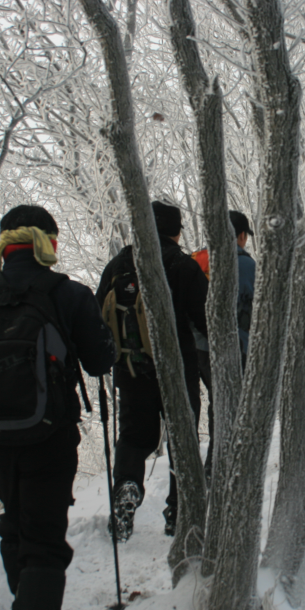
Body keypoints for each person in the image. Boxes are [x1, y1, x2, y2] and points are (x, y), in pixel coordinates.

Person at [0, 205, 114, 610]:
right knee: (44, 540)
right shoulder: (69, 294)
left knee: (15, 523)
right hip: (51, 435)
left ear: (5, 243)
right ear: (48, 243)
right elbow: (100, 361)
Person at [95, 200, 208, 540]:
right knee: (182, 436)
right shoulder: (183, 265)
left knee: (133, 436)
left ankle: (126, 487)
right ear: (175, 231)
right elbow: (206, 319)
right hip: (178, 369)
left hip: (131, 370)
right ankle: (179, 511)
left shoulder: (118, 265)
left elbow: (100, 315)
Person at [190, 210, 257, 477]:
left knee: (217, 402)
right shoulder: (246, 265)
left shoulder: (198, 260)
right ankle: (222, 467)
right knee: (232, 404)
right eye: (245, 236)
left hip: (199, 348)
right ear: (240, 236)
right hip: (233, 347)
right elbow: (256, 307)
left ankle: (214, 465)